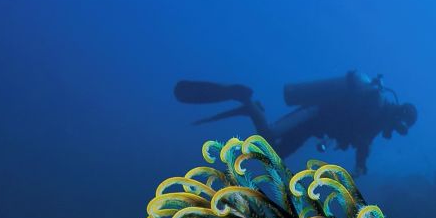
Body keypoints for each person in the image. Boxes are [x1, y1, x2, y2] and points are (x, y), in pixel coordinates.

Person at [174, 72, 417, 175]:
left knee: (275, 154)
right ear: (398, 117)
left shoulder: (376, 115)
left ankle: (251, 107)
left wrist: (361, 164)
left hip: (313, 127)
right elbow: (363, 140)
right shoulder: (375, 104)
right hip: (313, 113)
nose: (396, 131)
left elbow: (364, 141)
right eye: (400, 127)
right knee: (269, 134)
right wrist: (361, 165)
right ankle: (248, 103)